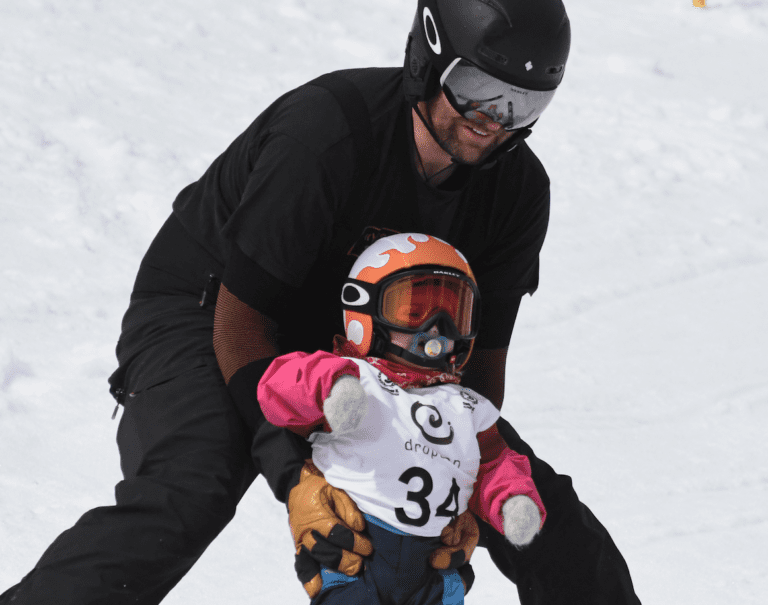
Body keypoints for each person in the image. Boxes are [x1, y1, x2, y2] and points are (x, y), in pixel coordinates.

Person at [0, 1, 642, 604]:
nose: (493, 119)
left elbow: (475, 371)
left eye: (523, 101)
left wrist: (459, 482)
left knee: (550, 522)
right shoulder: (329, 133)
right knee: (190, 489)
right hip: (213, 313)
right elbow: (240, 320)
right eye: (477, 88)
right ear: (429, 57)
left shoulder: (519, 192)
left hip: (377, 351)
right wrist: (294, 476)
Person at [259, 233, 547, 603]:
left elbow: (495, 462)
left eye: (453, 313)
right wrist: (332, 388)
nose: (436, 329)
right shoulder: (355, 377)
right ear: (367, 311)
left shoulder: (467, 406)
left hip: (432, 563)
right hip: (357, 551)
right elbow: (277, 387)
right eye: (414, 311)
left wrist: (514, 500)